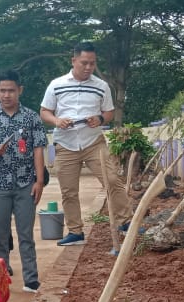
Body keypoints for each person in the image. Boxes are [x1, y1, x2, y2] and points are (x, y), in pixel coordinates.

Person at [40, 41, 121, 247]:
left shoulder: (101, 86)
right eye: (84, 62)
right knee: (69, 191)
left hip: (93, 141)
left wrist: (100, 119)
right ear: (73, 60)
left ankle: (125, 221)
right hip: (65, 144)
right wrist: (57, 121)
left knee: (112, 179)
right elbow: (44, 112)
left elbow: (109, 112)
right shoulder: (56, 85)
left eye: (92, 63)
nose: (88, 67)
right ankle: (75, 231)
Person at [0, 70, 46, 293]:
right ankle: (1, 280)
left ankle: (31, 279)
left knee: (26, 233)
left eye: (11, 90)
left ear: (20, 90)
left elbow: (38, 149)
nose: (6, 95)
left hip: (25, 182)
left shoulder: (31, 117)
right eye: (2, 90)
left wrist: (39, 180)